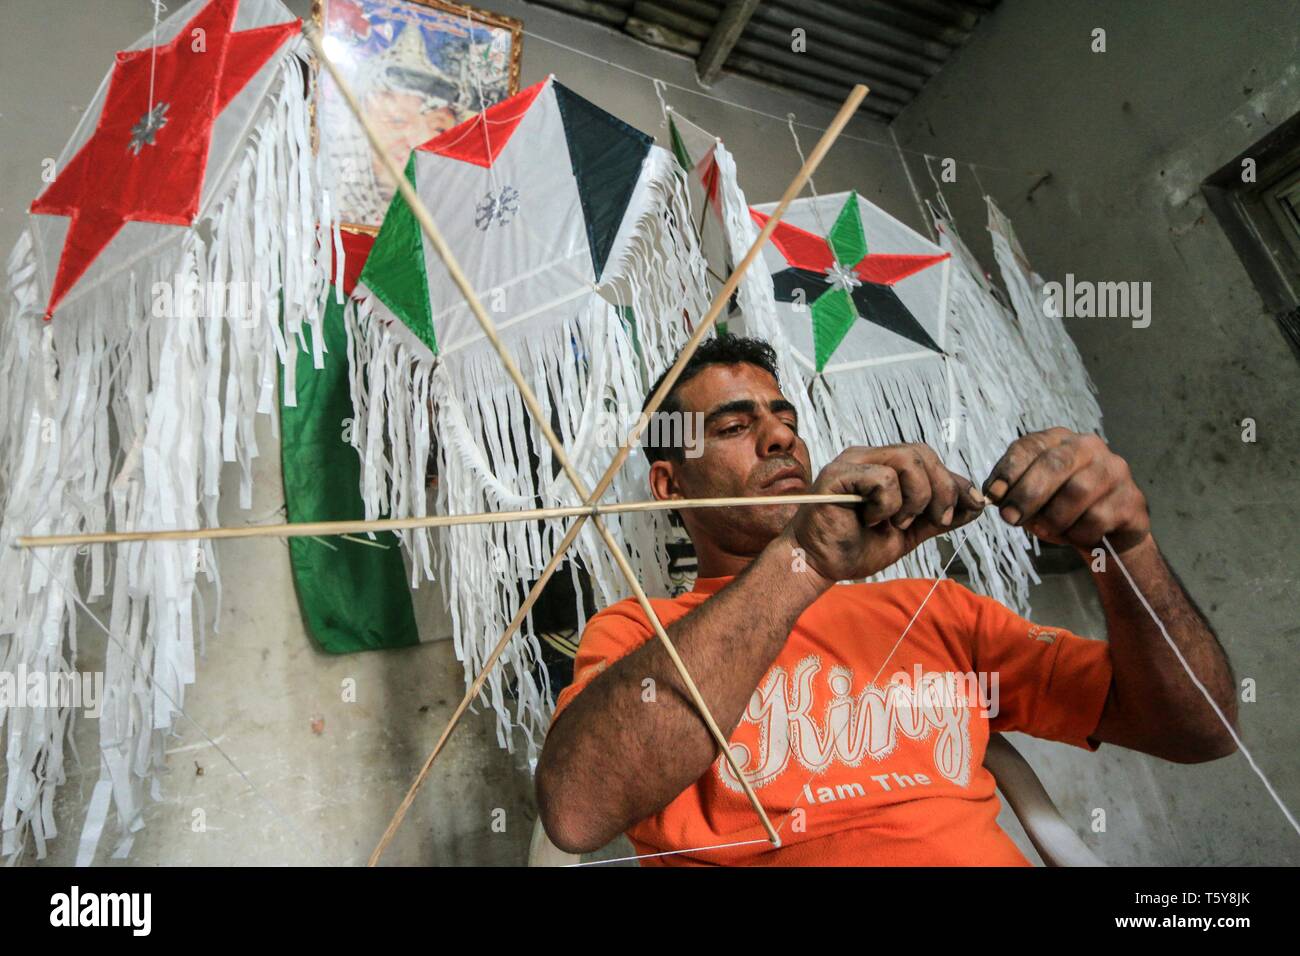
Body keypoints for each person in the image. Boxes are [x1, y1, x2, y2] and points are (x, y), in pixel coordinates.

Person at [535, 335, 1238, 865]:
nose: (781, 435)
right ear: (670, 486)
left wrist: (1122, 549)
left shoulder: (934, 610)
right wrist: (803, 563)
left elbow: (1198, 730)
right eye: (733, 426)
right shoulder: (636, 630)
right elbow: (576, 813)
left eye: (784, 417)